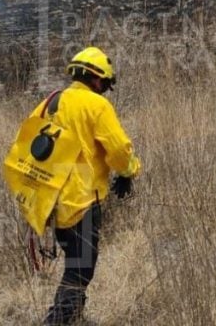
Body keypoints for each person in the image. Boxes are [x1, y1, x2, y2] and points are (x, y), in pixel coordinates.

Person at [34, 46, 142, 325]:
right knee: (81, 269)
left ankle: (75, 318)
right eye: (105, 83)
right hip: (81, 201)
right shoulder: (97, 105)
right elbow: (119, 150)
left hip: (52, 202)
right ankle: (56, 321)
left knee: (75, 261)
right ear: (96, 79)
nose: (106, 89)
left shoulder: (51, 102)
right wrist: (129, 172)